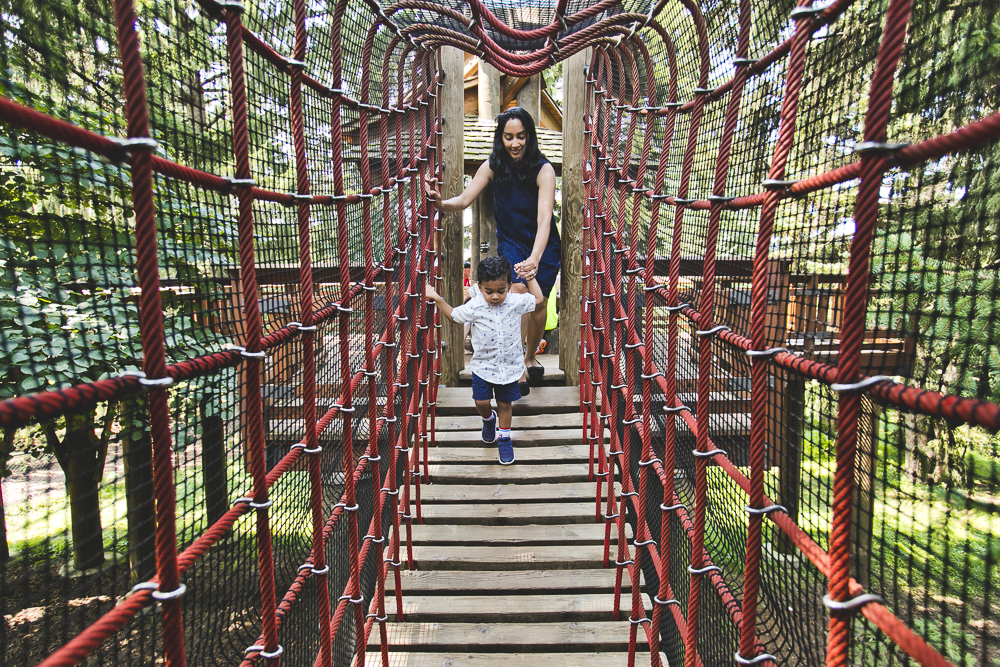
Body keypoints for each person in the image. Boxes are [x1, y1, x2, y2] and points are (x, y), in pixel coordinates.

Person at [425, 106, 559, 391]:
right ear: (501, 138)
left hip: (543, 245)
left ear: (529, 137)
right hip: (510, 241)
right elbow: (463, 199)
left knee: (539, 305)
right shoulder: (493, 166)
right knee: (518, 291)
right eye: (508, 137)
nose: (515, 143)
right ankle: (517, 369)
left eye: (521, 136)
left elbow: (544, 218)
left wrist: (535, 258)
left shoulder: (544, 169)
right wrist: (440, 204)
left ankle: (530, 356)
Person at [424, 255, 543, 465]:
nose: (495, 296)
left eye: (501, 291)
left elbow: (539, 299)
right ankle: (489, 419)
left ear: (508, 286)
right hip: (483, 367)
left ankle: (504, 438)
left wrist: (530, 277)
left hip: (509, 367)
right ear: (479, 287)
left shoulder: (515, 302)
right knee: (481, 402)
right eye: (489, 292)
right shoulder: (475, 305)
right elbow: (453, 315)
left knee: (505, 404)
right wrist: (437, 298)